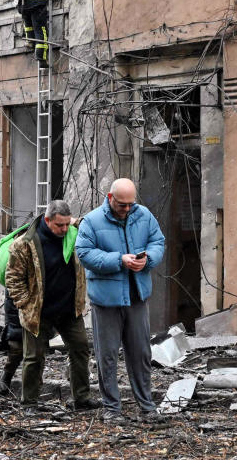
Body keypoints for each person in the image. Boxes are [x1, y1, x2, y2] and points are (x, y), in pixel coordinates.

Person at [75, 179, 166, 422]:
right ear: (110, 197)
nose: (126, 209)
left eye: (130, 204)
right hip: (106, 300)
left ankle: (147, 407)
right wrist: (119, 260)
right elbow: (84, 253)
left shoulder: (144, 215)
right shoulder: (92, 221)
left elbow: (158, 242)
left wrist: (147, 260)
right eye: (122, 204)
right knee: (107, 356)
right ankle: (112, 410)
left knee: (140, 353)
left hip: (137, 296)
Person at [5, 200, 99, 416]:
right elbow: (13, 278)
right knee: (34, 357)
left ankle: (82, 399)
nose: (64, 230)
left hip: (69, 309)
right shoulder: (25, 243)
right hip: (38, 312)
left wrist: (75, 222)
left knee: (80, 349)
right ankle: (29, 403)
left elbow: (91, 224)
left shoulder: (74, 235)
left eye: (67, 224)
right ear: (47, 220)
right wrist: (26, 303)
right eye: (60, 225)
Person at [0, 291, 24, 395]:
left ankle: (31, 393)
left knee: (36, 355)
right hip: (17, 304)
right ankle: (5, 379)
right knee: (16, 347)